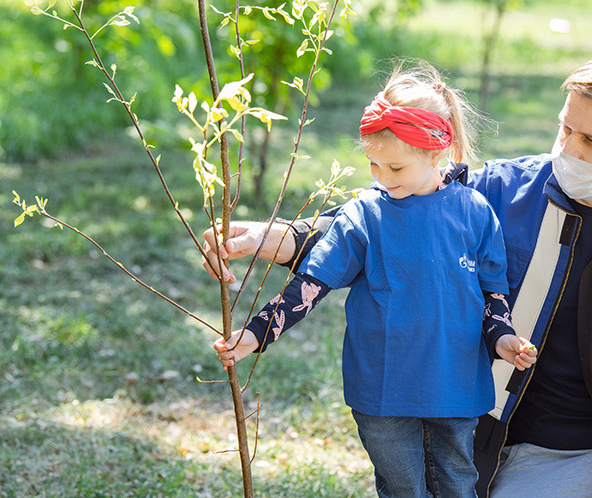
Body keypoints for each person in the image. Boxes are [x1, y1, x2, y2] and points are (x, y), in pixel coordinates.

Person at [203, 55, 592, 498]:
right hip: (532, 454)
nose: (567, 150)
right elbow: (389, 214)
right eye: (565, 130)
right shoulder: (499, 193)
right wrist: (274, 239)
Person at [211, 62, 537, 498]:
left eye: (395, 168)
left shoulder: (475, 212)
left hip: (454, 386)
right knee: (403, 488)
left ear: (436, 152)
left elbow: (493, 294)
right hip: (382, 391)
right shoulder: (364, 214)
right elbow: (312, 283)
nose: (382, 178)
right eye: (373, 165)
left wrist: (503, 339)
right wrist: (257, 333)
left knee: (458, 485)